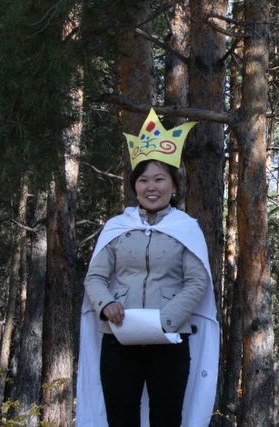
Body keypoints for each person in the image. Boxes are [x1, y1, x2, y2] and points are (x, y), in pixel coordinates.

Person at [76, 109, 219, 427]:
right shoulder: (117, 227)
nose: (151, 187)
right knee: (120, 419)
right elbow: (95, 276)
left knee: (166, 420)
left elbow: (197, 281)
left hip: (169, 341)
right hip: (119, 340)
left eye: (159, 179)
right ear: (135, 186)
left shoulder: (186, 228)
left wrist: (164, 322)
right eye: (143, 180)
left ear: (173, 185)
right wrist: (106, 304)